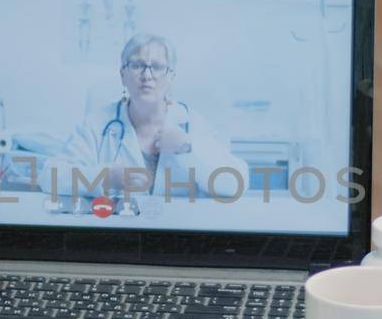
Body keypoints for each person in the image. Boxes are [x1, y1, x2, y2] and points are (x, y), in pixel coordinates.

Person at [42, 34, 240, 202]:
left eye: (157, 66)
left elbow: (234, 184)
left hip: (180, 236)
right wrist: (105, 178)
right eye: (137, 65)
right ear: (123, 74)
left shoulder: (192, 124)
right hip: (118, 234)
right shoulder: (98, 124)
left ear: (171, 76)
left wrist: (188, 148)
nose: (147, 75)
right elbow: (49, 177)